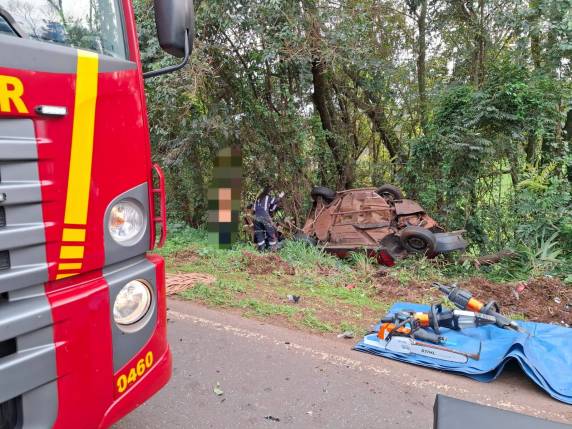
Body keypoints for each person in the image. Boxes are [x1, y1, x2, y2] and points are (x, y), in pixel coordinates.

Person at [253, 186, 285, 251]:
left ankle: (261, 251)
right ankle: (273, 250)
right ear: (268, 192)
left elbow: (254, 209)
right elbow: (274, 201)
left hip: (255, 218)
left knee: (259, 233)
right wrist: (281, 196)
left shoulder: (257, 198)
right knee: (271, 231)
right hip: (264, 216)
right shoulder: (267, 197)